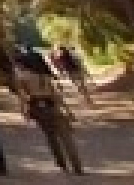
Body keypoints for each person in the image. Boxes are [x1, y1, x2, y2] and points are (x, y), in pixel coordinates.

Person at [16, 46, 85, 175]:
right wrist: (68, 110)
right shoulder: (46, 76)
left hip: (37, 108)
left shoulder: (23, 77)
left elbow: (23, 97)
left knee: (51, 137)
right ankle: (77, 166)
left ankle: (62, 165)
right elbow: (57, 95)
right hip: (52, 106)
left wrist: (25, 113)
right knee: (66, 137)